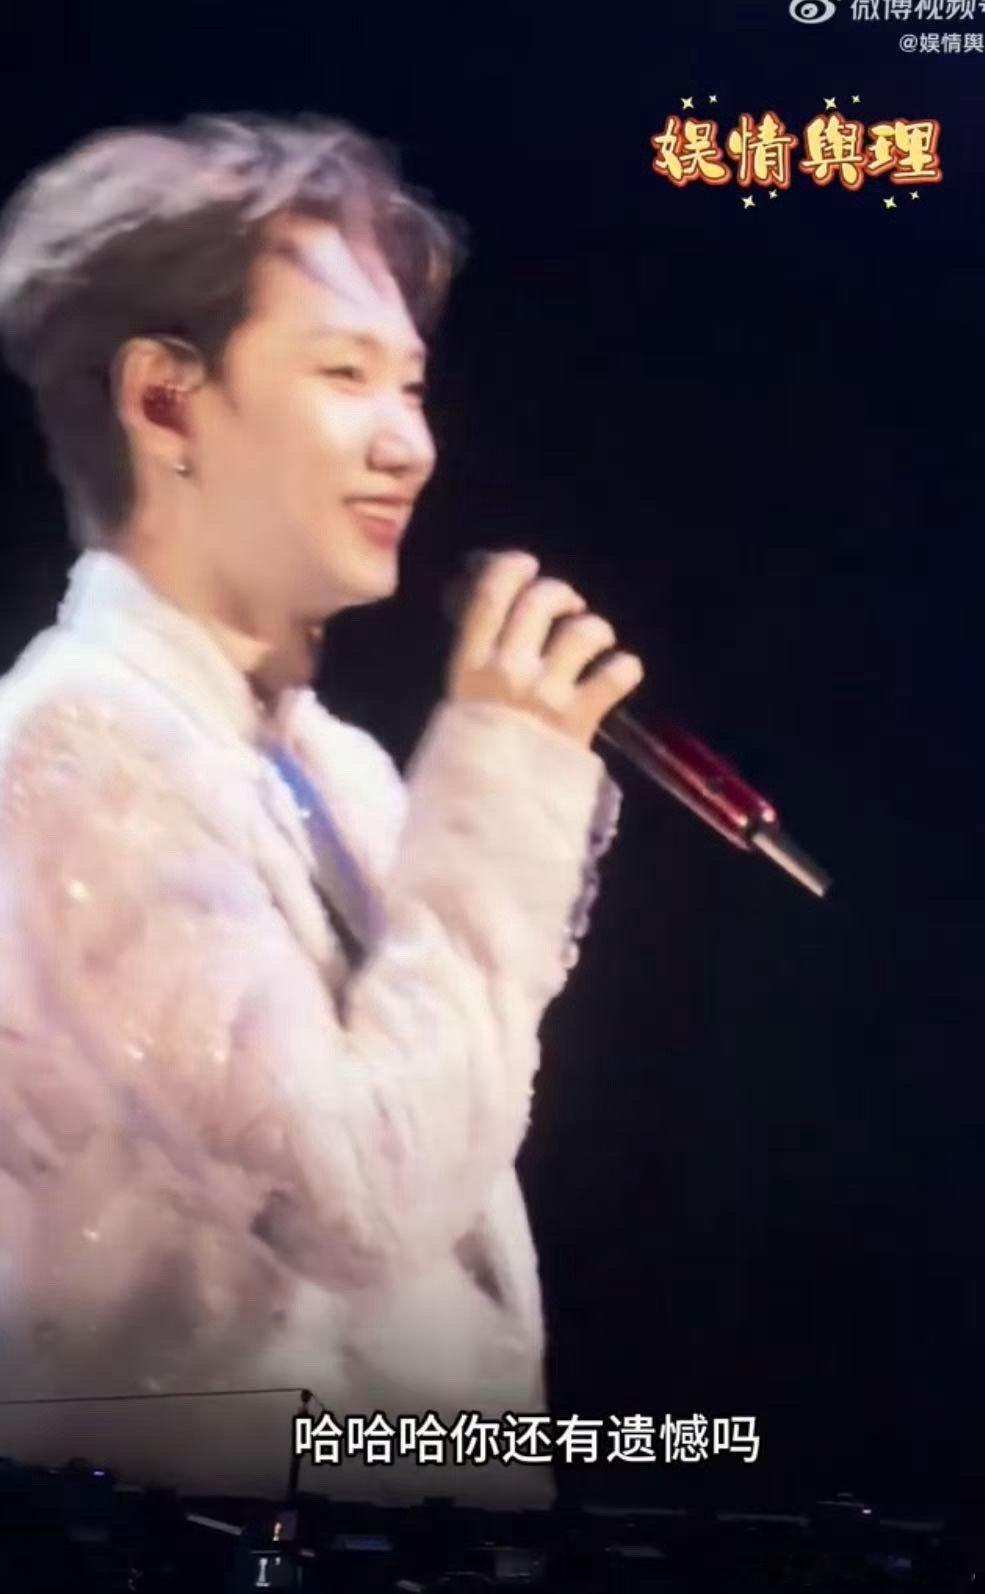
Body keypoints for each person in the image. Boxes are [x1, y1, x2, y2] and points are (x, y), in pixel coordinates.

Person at [0, 113, 643, 1505]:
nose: (408, 444)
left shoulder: (335, 763)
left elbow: (448, 1204)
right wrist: (506, 782)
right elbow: (357, 1194)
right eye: (345, 374)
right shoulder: (73, 744)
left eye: (411, 385)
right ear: (165, 403)